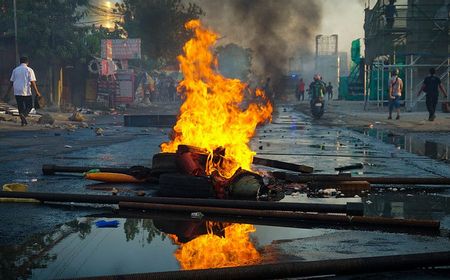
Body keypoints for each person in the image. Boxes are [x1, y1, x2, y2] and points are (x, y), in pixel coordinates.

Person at [6, 56, 42, 126]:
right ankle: (24, 115)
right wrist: (37, 92)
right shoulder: (29, 70)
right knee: (29, 106)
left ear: (20, 62)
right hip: (26, 91)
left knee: (20, 107)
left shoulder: (15, 70)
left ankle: (23, 122)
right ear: (27, 62)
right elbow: (32, 82)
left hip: (17, 91)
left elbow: (11, 82)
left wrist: (7, 92)